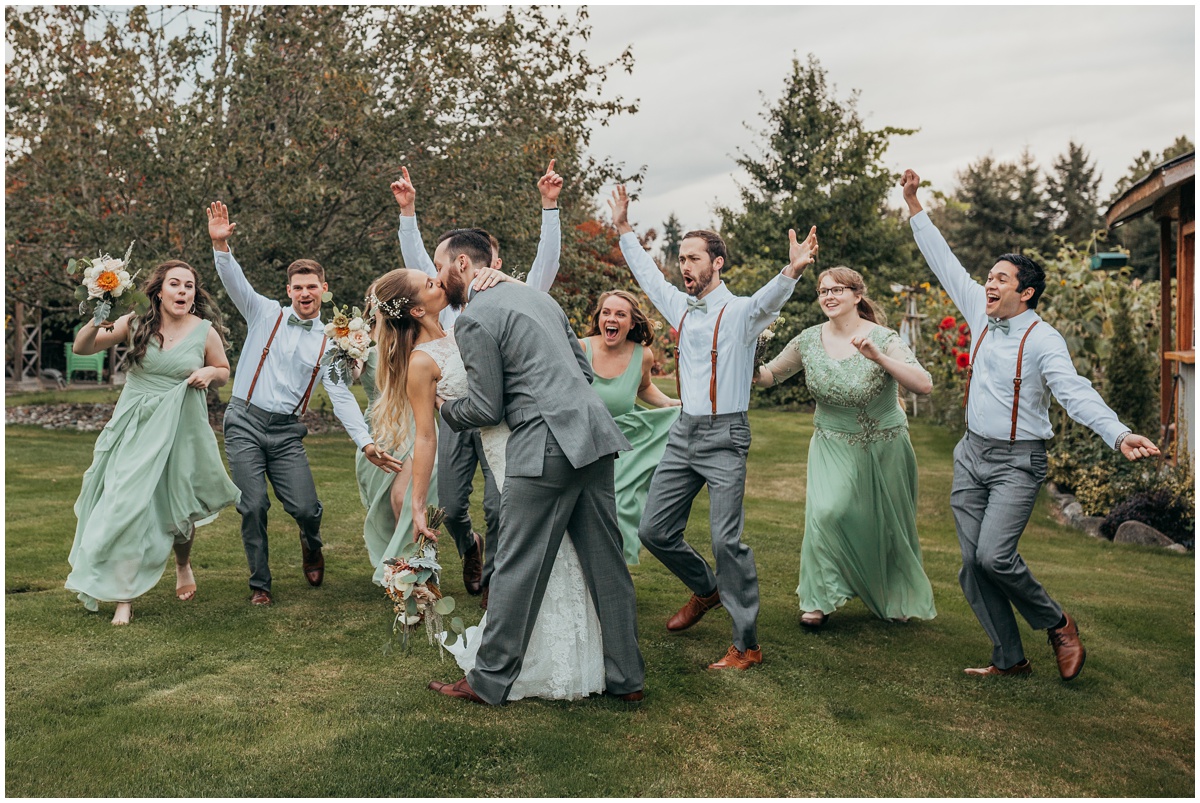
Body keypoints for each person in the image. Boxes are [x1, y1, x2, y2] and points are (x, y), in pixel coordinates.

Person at [901, 168, 1161, 680]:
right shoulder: (979, 312)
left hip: (1017, 463)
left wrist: (1118, 432)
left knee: (995, 557)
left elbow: (1074, 391)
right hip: (971, 455)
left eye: (1001, 279)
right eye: (990, 277)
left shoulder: (1044, 340)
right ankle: (1009, 659)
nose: (989, 283)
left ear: (1027, 293)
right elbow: (943, 261)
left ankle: (1058, 624)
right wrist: (913, 204)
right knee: (972, 565)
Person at [427, 229, 645, 705]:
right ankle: (628, 679)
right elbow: (583, 372)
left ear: (462, 264)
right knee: (607, 563)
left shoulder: (474, 318)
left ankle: (487, 681)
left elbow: (485, 408)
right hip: (593, 433)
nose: (437, 277)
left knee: (514, 564)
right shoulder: (540, 299)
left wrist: (444, 407)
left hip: (545, 445)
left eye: (440, 266)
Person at [609, 183, 818, 671]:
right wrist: (623, 228)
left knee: (727, 542)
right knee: (654, 530)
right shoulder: (680, 307)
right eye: (681, 258)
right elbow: (647, 275)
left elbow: (768, 302)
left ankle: (747, 646)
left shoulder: (741, 312)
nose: (684, 266)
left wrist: (791, 270)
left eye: (694, 258)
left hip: (726, 437)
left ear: (717, 263)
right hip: (684, 433)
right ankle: (707, 589)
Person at [206, 201, 402, 606]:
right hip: (244, 421)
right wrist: (221, 247)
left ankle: (311, 544)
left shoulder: (331, 341)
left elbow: (341, 393)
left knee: (307, 509)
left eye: (312, 286)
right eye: (297, 287)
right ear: (288, 291)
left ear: (323, 289)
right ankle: (260, 584)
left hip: (285, 431)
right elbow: (234, 281)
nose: (305, 293)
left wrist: (365, 442)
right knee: (253, 505)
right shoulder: (264, 313)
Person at [390, 161, 563, 601]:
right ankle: (470, 546)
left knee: (499, 503)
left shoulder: (510, 297)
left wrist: (550, 208)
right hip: (455, 417)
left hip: (498, 415)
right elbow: (418, 272)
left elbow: (546, 266)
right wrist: (407, 214)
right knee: (450, 506)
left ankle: (495, 581)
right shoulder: (445, 307)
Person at [754, 267, 937, 628]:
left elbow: (924, 385)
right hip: (832, 442)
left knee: (888, 524)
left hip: (886, 442)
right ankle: (819, 599)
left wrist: (879, 358)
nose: (829, 296)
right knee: (826, 513)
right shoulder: (808, 340)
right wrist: (748, 359)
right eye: (823, 291)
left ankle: (895, 596)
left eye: (837, 289)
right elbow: (769, 376)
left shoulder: (883, 338)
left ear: (857, 295)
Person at [65, 260, 241, 625]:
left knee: (179, 507)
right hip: (134, 426)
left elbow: (224, 372)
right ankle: (124, 596)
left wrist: (210, 371)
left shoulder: (205, 331)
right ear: (159, 292)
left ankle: (182, 564)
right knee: (127, 503)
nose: (182, 291)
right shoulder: (134, 323)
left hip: (180, 427)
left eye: (188, 286)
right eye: (175, 284)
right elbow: (83, 348)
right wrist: (100, 314)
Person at [580, 290, 681, 564]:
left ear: (632, 322)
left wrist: (670, 403)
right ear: (599, 318)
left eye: (620, 314)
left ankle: (615, 567)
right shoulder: (582, 349)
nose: (611, 318)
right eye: (606, 313)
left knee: (622, 503)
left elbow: (644, 387)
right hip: (585, 440)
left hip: (626, 441)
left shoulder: (642, 355)